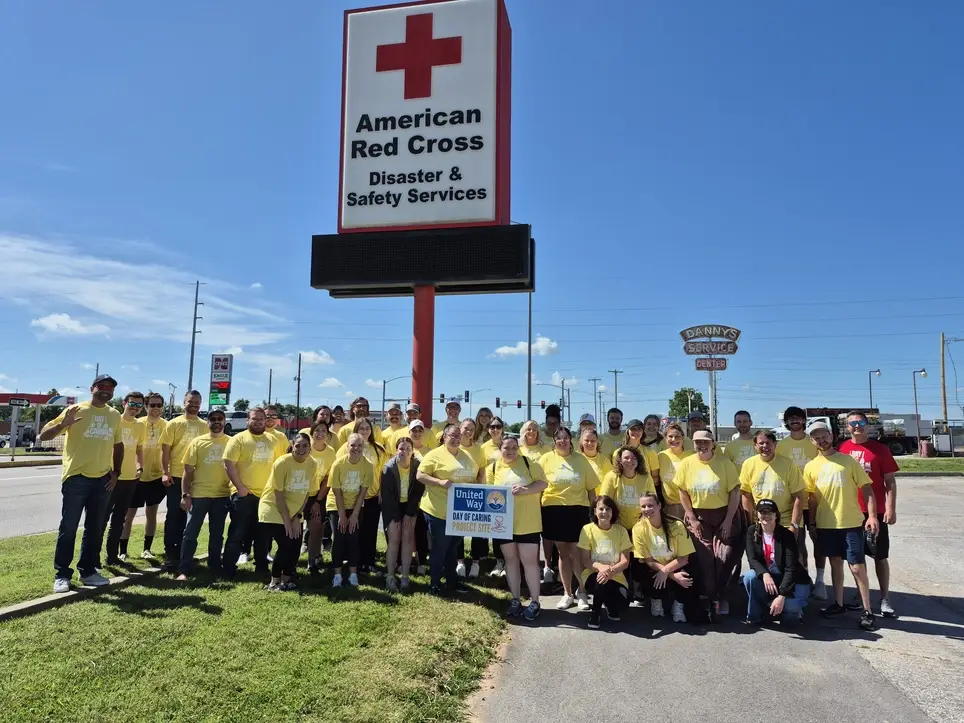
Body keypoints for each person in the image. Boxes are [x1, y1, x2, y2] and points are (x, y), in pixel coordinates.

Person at [40, 374, 124, 592]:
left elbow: (119, 445)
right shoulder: (75, 410)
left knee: (95, 528)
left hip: (102, 480)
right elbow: (44, 436)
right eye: (102, 386)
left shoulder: (114, 415)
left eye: (110, 388)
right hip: (76, 477)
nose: (106, 390)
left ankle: (88, 571)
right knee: (68, 527)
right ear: (92, 388)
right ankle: (62, 575)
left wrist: (116, 473)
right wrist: (63, 425)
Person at [804, 422, 879, 630]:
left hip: (851, 522)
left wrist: (872, 517)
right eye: (816, 437)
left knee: (856, 566)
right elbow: (811, 499)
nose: (821, 440)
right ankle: (838, 603)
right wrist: (811, 523)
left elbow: (867, 490)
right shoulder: (810, 467)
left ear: (831, 435)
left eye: (824, 435)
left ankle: (867, 610)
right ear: (811, 441)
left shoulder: (848, 461)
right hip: (826, 524)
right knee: (835, 563)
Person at [838, 410, 900, 617]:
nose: (857, 426)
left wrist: (890, 508)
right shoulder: (842, 449)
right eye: (852, 423)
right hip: (850, 512)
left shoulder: (880, 449)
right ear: (847, 427)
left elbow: (890, 481)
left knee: (879, 556)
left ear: (867, 425)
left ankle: (884, 598)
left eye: (860, 422)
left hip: (876, 511)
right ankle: (860, 595)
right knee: (855, 558)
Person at [677, 430, 742, 619]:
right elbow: (683, 492)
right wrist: (692, 518)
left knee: (725, 557)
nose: (702, 445)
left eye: (705, 442)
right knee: (704, 560)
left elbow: (735, 493)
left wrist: (729, 520)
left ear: (713, 443)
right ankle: (709, 597)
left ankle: (723, 595)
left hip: (724, 514)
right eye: (698, 442)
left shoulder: (724, 463)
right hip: (699, 516)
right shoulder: (687, 464)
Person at [487, 435, 547, 620]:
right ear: (500, 449)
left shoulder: (529, 463)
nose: (511, 451)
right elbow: (488, 493)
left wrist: (526, 490)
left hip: (528, 522)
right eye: (506, 448)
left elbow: (543, 483)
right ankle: (515, 599)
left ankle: (535, 601)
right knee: (511, 561)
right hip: (503, 524)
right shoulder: (493, 467)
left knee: (529, 563)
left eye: (514, 447)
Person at [540, 427, 599, 611]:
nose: (563, 441)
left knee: (576, 553)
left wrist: (593, 513)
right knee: (563, 553)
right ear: (554, 440)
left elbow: (591, 489)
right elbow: (539, 486)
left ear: (571, 440)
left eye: (566, 438)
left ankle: (582, 593)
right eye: (559, 438)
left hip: (578, 511)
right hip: (553, 510)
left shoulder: (581, 460)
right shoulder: (545, 459)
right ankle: (567, 594)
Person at [416, 423, 479, 595]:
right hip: (437, 509)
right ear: (444, 436)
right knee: (440, 547)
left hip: (459, 512)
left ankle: (452, 581)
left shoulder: (466, 456)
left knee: (453, 547)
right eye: (453, 435)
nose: (456, 438)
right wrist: (439, 482)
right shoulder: (434, 455)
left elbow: (473, 477)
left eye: (459, 435)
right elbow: (420, 475)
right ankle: (434, 583)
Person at [257, 432, 317, 591]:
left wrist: (297, 516)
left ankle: (286, 579)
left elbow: (307, 493)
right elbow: (278, 494)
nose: (302, 449)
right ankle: (274, 582)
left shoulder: (312, 463)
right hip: (274, 508)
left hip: (295, 511)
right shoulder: (282, 463)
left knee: (295, 545)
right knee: (285, 544)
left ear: (310, 447)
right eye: (298, 445)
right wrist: (287, 520)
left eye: (305, 446)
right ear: (292, 446)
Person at [777, 405, 825, 599]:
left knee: (819, 541)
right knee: (797, 544)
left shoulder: (813, 442)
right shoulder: (781, 446)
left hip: (815, 499)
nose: (795, 421)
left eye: (798, 418)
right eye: (791, 419)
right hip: (792, 502)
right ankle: (801, 578)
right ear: (786, 422)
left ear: (804, 421)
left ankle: (820, 580)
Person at [176, 410, 231, 580]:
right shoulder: (197, 442)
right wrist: (185, 494)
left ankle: (214, 568)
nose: (216, 422)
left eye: (220, 419)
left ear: (224, 421)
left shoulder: (232, 443)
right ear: (208, 422)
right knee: (190, 533)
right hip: (198, 495)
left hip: (222, 495)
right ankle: (184, 569)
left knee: (217, 534)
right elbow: (187, 472)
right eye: (213, 419)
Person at [222, 408, 277, 577]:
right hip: (244, 495)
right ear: (248, 420)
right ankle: (229, 568)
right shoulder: (238, 439)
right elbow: (228, 464)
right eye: (255, 419)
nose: (259, 421)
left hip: (265, 496)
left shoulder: (272, 440)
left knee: (262, 535)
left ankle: (261, 567)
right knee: (237, 532)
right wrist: (240, 488)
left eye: (262, 418)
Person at [159, 390, 208, 572]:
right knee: (174, 516)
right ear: (184, 402)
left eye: (197, 402)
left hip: (197, 478)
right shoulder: (174, 424)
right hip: (176, 476)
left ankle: (185, 553)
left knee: (192, 518)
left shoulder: (205, 425)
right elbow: (165, 451)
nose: (194, 404)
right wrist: (165, 472)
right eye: (190, 401)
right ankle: (171, 554)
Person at [743, 499, 812, 626]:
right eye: (762, 512)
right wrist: (764, 574)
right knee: (749, 577)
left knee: (790, 616)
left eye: (770, 512)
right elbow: (752, 559)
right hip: (772, 577)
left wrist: (782, 596)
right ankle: (756, 615)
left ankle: (784, 605)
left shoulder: (787, 536)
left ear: (776, 515)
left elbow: (791, 568)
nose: (766, 516)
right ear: (757, 514)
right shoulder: (752, 531)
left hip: (794, 580)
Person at [633, 491, 698, 623]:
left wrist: (667, 571)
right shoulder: (638, 529)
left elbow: (684, 558)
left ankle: (678, 604)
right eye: (643, 506)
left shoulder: (677, 525)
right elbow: (648, 560)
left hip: (676, 564)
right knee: (640, 570)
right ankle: (655, 599)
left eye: (650, 505)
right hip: (656, 568)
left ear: (659, 506)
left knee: (687, 576)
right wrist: (670, 575)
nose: (647, 509)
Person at [336, 417, 387, 574]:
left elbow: (383, 472)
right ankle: (352, 562)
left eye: (367, 428)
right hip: (351, 496)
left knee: (370, 531)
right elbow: (339, 469)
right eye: (361, 428)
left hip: (371, 496)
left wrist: (381, 492)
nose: (365, 431)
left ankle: (368, 562)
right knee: (353, 531)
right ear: (355, 430)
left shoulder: (378, 448)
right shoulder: (346, 447)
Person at [122, 391, 167, 560]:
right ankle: (122, 550)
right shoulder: (138, 423)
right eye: (152, 405)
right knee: (129, 515)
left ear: (162, 407)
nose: (155, 408)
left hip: (156, 477)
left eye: (158, 405)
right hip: (135, 477)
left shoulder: (167, 426)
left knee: (151, 513)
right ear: (145, 406)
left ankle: (146, 549)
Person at [102, 392, 146, 565]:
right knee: (101, 519)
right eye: (132, 404)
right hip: (111, 477)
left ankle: (112, 557)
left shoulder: (140, 425)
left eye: (139, 405)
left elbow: (139, 449)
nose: (135, 408)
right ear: (124, 403)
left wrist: (140, 467)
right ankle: (93, 560)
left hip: (130, 479)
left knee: (119, 520)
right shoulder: (114, 420)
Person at [578, 496, 632, 629]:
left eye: (608, 509)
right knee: (601, 581)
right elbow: (585, 560)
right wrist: (602, 568)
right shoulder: (587, 529)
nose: (604, 512)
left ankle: (609, 605)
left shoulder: (621, 531)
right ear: (595, 511)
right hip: (592, 574)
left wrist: (610, 571)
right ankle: (595, 613)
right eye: (601, 509)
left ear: (613, 512)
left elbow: (625, 561)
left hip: (616, 575)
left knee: (623, 604)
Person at [327, 433, 373, 587]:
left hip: (355, 506)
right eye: (353, 445)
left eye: (359, 445)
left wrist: (354, 514)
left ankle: (353, 574)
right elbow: (336, 491)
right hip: (336, 505)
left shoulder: (368, 465)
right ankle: (337, 575)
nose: (356, 448)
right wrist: (342, 515)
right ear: (347, 446)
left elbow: (363, 492)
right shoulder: (338, 464)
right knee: (339, 538)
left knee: (353, 538)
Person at [740, 430, 806, 535]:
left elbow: (798, 497)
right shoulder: (748, 464)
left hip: (786, 522)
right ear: (755, 446)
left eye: (768, 443)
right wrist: (750, 524)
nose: (765, 446)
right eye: (761, 443)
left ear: (775, 444)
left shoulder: (788, 464)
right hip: (761, 522)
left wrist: (794, 525)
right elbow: (746, 496)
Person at [380, 436, 424, 591]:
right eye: (401, 448)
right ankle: (390, 576)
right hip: (392, 506)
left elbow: (418, 492)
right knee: (394, 539)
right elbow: (387, 495)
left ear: (412, 451)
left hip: (409, 506)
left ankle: (405, 576)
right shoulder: (389, 467)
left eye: (408, 449)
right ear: (396, 450)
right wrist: (396, 517)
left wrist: (409, 513)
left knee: (407, 538)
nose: (404, 452)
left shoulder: (418, 465)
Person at [458, 418, 491, 579]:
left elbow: (481, 472)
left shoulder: (478, 450)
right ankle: (460, 562)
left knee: (476, 529)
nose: (468, 431)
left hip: (474, 493)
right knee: (457, 529)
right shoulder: (453, 447)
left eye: (471, 429)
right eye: (466, 428)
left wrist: (480, 489)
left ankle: (476, 563)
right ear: (460, 428)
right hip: (455, 494)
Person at [305, 420, 336, 574]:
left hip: (318, 495)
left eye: (323, 430)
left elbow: (327, 479)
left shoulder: (331, 452)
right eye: (317, 430)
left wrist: (318, 500)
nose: (320, 433)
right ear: (312, 433)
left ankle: (314, 559)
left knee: (317, 526)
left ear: (327, 434)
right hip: (300, 493)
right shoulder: (305, 448)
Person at [657, 423, 694, 519]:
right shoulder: (661, 456)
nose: (674, 439)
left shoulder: (692, 456)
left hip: (690, 505)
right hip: (670, 506)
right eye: (670, 436)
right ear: (665, 438)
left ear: (683, 437)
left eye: (677, 436)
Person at [612, 418, 661, 490]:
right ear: (627, 431)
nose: (636, 431)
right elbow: (616, 474)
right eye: (633, 429)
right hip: (624, 491)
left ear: (643, 432)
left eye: (639, 429)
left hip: (645, 491)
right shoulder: (617, 453)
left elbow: (655, 477)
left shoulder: (650, 452)